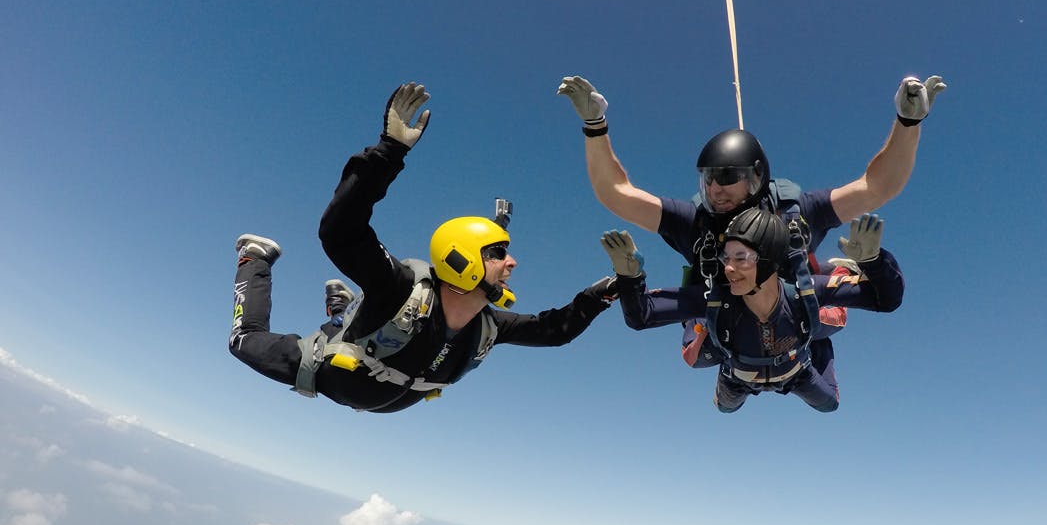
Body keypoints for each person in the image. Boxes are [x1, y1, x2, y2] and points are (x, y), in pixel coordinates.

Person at [229, 81, 615, 414]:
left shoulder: (489, 325)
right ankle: (255, 258)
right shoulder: (397, 287)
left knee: (360, 321)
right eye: (497, 254)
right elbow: (341, 232)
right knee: (243, 343)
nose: (512, 262)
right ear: (461, 259)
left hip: (368, 377)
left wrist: (606, 293)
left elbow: (555, 330)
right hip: (327, 374)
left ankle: (341, 309)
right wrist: (388, 153)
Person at [557, 72, 945, 364]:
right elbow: (617, 194)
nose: (715, 190)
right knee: (701, 357)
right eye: (708, 179)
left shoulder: (798, 213)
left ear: (757, 178)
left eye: (727, 178)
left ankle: (830, 283)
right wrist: (595, 127)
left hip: (798, 308)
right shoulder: (695, 221)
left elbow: (877, 186)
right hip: (726, 314)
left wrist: (907, 124)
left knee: (821, 335)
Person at [599, 209, 903, 413]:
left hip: (797, 368)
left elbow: (887, 299)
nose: (728, 268)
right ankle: (703, 329)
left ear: (769, 259)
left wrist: (873, 260)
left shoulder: (804, 292)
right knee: (719, 399)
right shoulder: (716, 297)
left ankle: (818, 331)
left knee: (829, 402)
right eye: (726, 258)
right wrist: (630, 279)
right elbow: (641, 316)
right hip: (738, 374)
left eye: (740, 258)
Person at [228, 236, 358, 386]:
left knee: (242, 338)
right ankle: (340, 309)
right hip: (378, 393)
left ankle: (255, 260)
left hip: (350, 375)